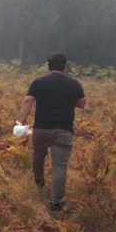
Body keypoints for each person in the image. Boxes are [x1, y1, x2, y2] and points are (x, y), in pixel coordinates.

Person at [17, 53, 86, 214]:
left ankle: (39, 180)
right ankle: (56, 202)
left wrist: (21, 123)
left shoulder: (38, 82)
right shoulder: (74, 83)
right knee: (60, 167)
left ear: (48, 66)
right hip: (63, 130)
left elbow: (28, 101)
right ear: (65, 66)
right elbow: (82, 104)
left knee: (37, 154)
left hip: (41, 128)